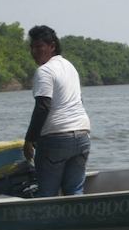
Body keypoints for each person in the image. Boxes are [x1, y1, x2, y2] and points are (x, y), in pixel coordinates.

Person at [23, 25, 91, 197]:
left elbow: (43, 106)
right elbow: (79, 101)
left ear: (52, 46)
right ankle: (76, 223)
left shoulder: (44, 71)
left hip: (56, 139)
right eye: (32, 47)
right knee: (75, 191)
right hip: (82, 136)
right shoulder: (70, 67)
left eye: (39, 46)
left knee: (47, 194)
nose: (34, 51)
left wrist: (29, 140)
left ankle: (47, 223)